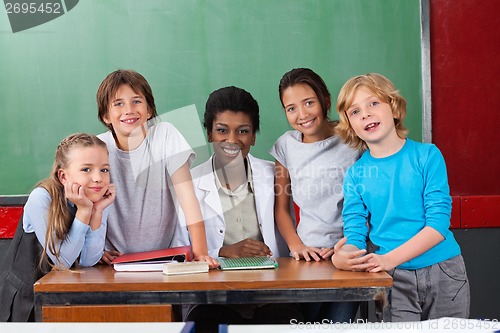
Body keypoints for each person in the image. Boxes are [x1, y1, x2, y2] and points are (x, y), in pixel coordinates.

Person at [333, 73, 470, 321]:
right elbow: (355, 236)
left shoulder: (427, 156)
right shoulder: (355, 175)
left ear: (394, 109)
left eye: (373, 103)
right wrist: (342, 258)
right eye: (355, 112)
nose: (365, 114)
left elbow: (438, 225)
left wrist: (387, 259)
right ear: (350, 125)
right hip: (394, 279)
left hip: (445, 272)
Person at [177, 86, 301, 333]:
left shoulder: (276, 176)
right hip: (214, 297)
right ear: (209, 133)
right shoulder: (187, 182)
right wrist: (223, 251)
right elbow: (178, 252)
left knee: (288, 321)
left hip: (271, 295)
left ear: (254, 136)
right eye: (222, 130)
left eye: (242, 131)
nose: (232, 140)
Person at [95, 69, 216, 267]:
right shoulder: (98, 148)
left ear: (149, 110)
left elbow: (187, 197)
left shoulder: (165, 135)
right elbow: (86, 204)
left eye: (137, 101)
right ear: (105, 115)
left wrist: (200, 252)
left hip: (166, 256)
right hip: (114, 261)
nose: (129, 110)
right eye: (118, 103)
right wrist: (93, 250)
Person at [269, 68, 360, 323]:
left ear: (325, 100)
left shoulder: (353, 138)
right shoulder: (286, 146)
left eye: (309, 102)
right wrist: (297, 247)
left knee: (339, 325)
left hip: (348, 254)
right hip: (307, 259)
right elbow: (281, 208)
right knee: (302, 323)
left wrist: (350, 247)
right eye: (291, 108)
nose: (302, 115)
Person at [0, 133, 115, 321]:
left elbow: (88, 260)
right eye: (86, 169)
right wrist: (85, 212)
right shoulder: (42, 198)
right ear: (63, 176)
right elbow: (62, 262)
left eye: (104, 170)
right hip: (26, 302)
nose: (98, 178)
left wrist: (98, 211)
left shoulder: (98, 199)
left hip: (62, 299)